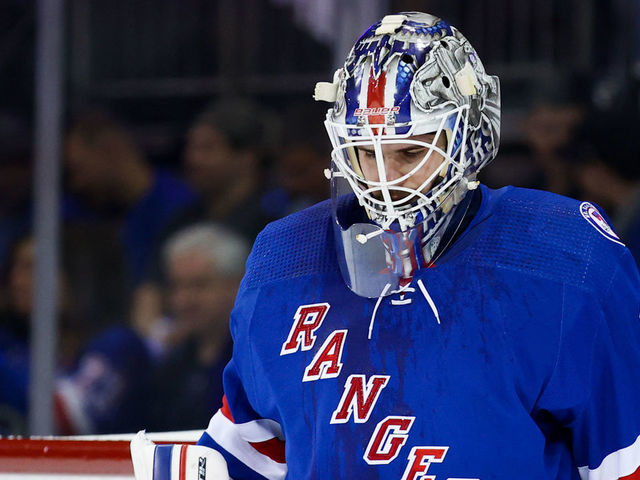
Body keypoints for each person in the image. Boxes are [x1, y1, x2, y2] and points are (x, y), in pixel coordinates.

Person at [131, 12, 640, 480]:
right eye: (363, 152)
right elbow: (246, 453)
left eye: (409, 151)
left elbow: (621, 462)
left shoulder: (563, 256)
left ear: (471, 136)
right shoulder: (283, 259)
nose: (384, 180)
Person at [144, 223, 249, 431]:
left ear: (237, 285)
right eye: (176, 286)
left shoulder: (255, 365)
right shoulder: (168, 368)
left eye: (199, 286)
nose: (183, 301)